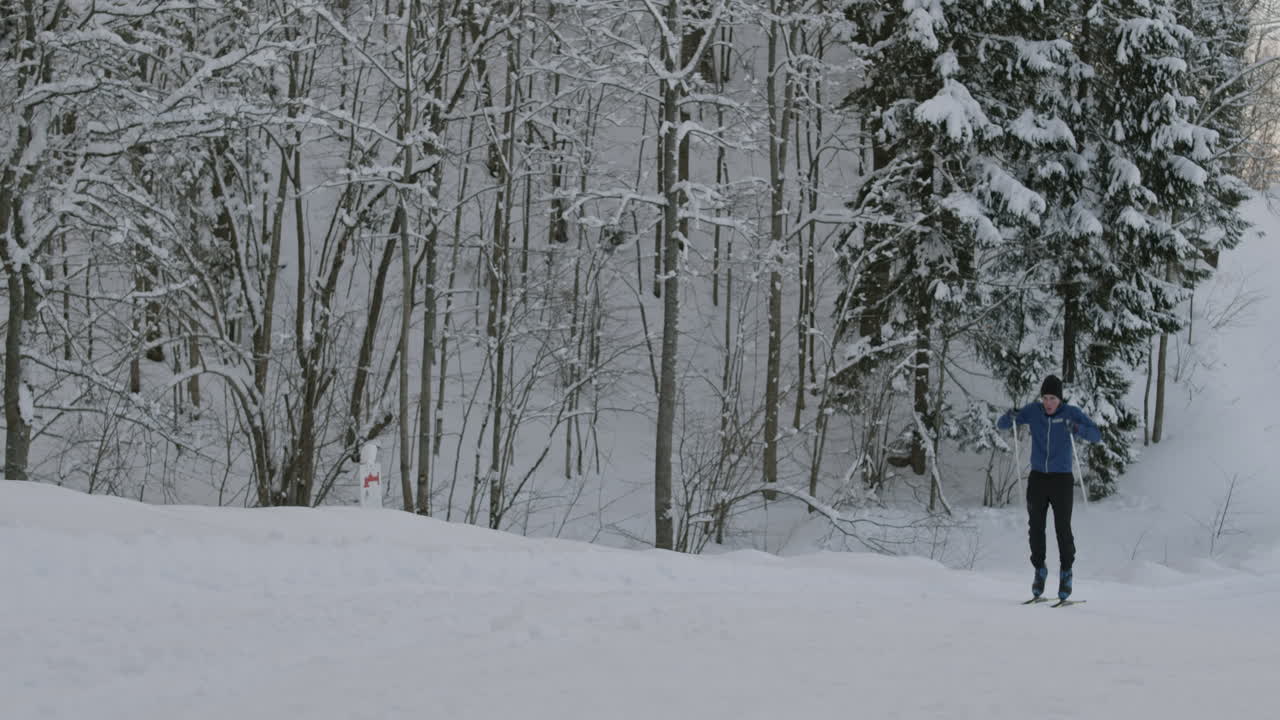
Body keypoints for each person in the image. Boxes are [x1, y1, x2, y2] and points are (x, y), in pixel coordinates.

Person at [997, 374, 1101, 600]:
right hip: (1038, 478)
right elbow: (1003, 424)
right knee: (1035, 527)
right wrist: (1010, 415)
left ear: (1060, 399)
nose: (1048, 402)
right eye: (1045, 397)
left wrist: (1076, 428)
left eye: (1053, 398)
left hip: (1061, 479)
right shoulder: (1034, 411)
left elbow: (1096, 434)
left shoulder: (1070, 413)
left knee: (1062, 528)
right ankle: (1040, 570)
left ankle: (1066, 572)